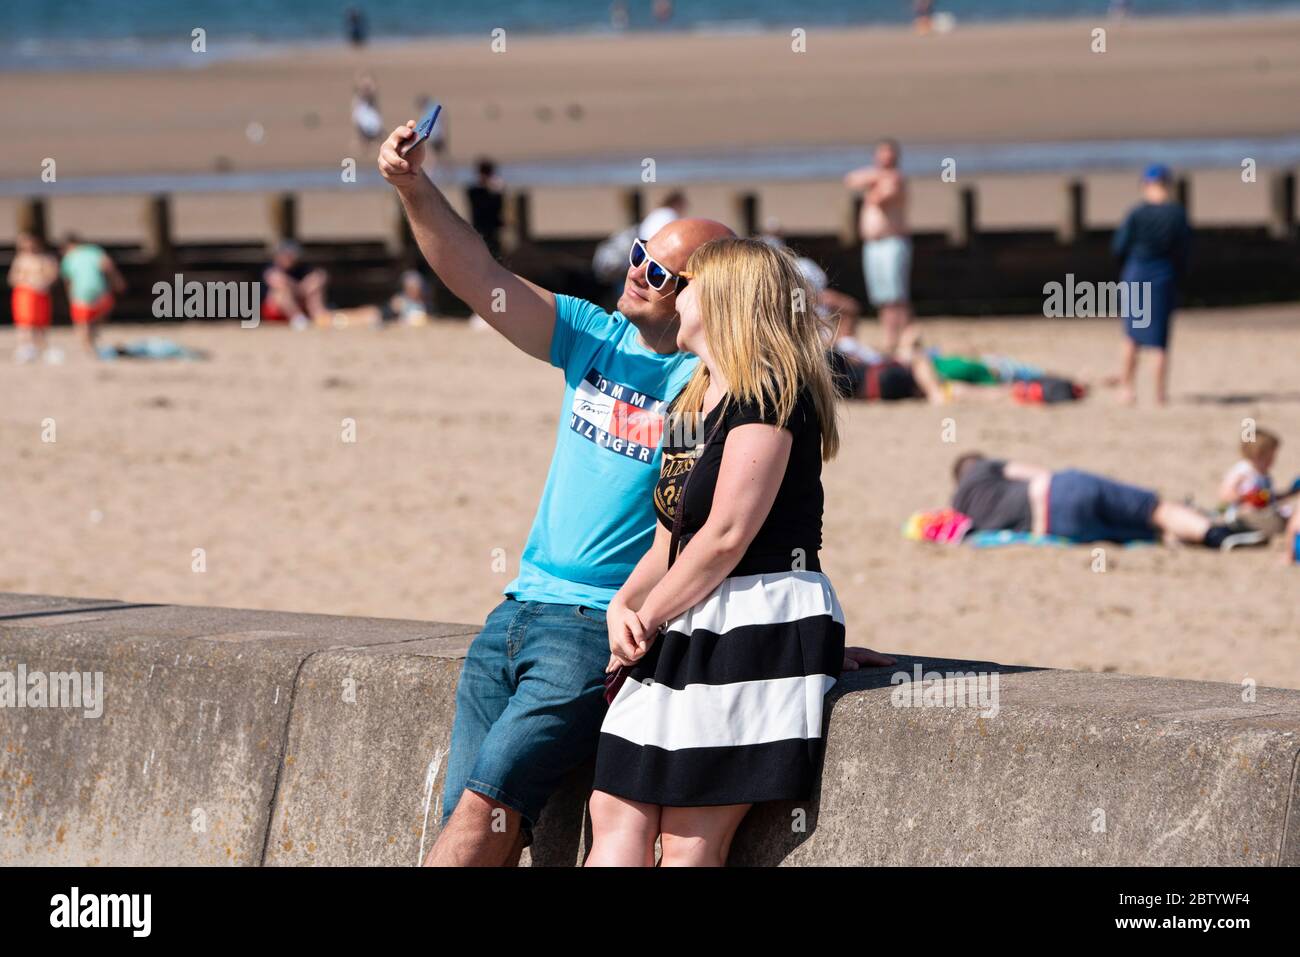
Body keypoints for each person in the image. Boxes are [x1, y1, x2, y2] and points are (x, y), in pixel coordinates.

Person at [379, 120, 889, 866]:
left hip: (600, 629)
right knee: (483, 815)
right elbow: (475, 274)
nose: (636, 272)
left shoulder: (716, 384)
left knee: (491, 809)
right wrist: (412, 187)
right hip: (520, 606)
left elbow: (742, 527)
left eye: (659, 272)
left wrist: (803, 636)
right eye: (640, 255)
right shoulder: (595, 337)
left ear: (706, 294)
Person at [586, 237, 875, 866]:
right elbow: (672, 536)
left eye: (686, 284)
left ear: (722, 299)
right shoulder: (693, 401)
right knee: (614, 810)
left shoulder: (773, 393)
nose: (674, 294)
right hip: (687, 615)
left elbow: (726, 536)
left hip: (756, 616)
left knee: (692, 837)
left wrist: (651, 615)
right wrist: (624, 606)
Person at [951, 453, 1266, 550]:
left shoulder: (960, 505)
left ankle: (1179, 534)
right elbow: (1035, 473)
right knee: (1154, 509)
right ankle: (1217, 534)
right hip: (1060, 490)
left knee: (1142, 530)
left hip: (1059, 526)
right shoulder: (982, 467)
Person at [1111, 163, 1191, 406]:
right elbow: (1184, 251)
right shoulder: (1177, 215)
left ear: (1145, 185)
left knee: (1132, 336)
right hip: (1163, 276)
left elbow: (1119, 246)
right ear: (1167, 184)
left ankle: (1127, 389)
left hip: (1137, 274)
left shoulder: (1136, 214)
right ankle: (1159, 394)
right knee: (1159, 341)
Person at [845, 139, 912, 356]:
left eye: (889, 154)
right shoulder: (877, 176)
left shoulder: (897, 179)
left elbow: (879, 199)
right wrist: (876, 176)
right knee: (882, 296)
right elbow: (850, 180)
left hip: (891, 243)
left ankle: (902, 338)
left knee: (896, 295)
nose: (885, 159)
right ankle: (889, 339)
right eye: (882, 154)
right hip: (873, 245)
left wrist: (875, 179)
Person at [1218, 429, 1297, 535]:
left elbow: (1269, 498)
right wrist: (1247, 498)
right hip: (1244, 513)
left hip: (1264, 512)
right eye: (1270, 457)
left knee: (1289, 515)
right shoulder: (1244, 470)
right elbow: (1225, 494)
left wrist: (1289, 493)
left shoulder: (1264, 476)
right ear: (1258, 455)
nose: (1273, 461)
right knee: (1277, 522)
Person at [60, 234, 125, 356]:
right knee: (97, 316)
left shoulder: (69, 256)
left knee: (82, 320)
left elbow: (68, 279)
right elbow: (108, 266)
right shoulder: (95, 251)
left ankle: (87, 346)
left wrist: (70, 295)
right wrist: (117, 281)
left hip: (81, 290)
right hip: (99, 288)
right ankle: (93, 338)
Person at [8, 232, 59, 363]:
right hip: (25, 292)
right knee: (25, 322)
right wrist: (27, 282)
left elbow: (52, 274)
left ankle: (42, 347)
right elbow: (13, 278)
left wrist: (43, 283)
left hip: (41, 293)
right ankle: (26, 347)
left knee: (41, 322)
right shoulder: (20, 259)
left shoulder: (46, 259)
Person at [261, 241, 329, 328]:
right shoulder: (271, 268)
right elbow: (278, 281)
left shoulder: (302, 268)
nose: (288, 258)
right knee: (281, 291)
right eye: (285, 255)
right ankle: (298, 318)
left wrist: (308, 285)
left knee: (314, 291)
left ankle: (319, 316)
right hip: (275, 311)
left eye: (290, 255)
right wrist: (301, 287)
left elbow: (320, 276)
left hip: (301, 304)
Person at [466, 158, 505, 260]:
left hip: (485, 228)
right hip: (485, 228)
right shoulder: (477, 191)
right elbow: (497, 206)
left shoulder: (472, 190)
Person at [352, 73, 384, 147]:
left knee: (375, 133)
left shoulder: (371, 95)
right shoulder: (359, 95)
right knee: (363, 135)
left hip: (370, 116)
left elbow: (373, 91)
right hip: (363, 114)